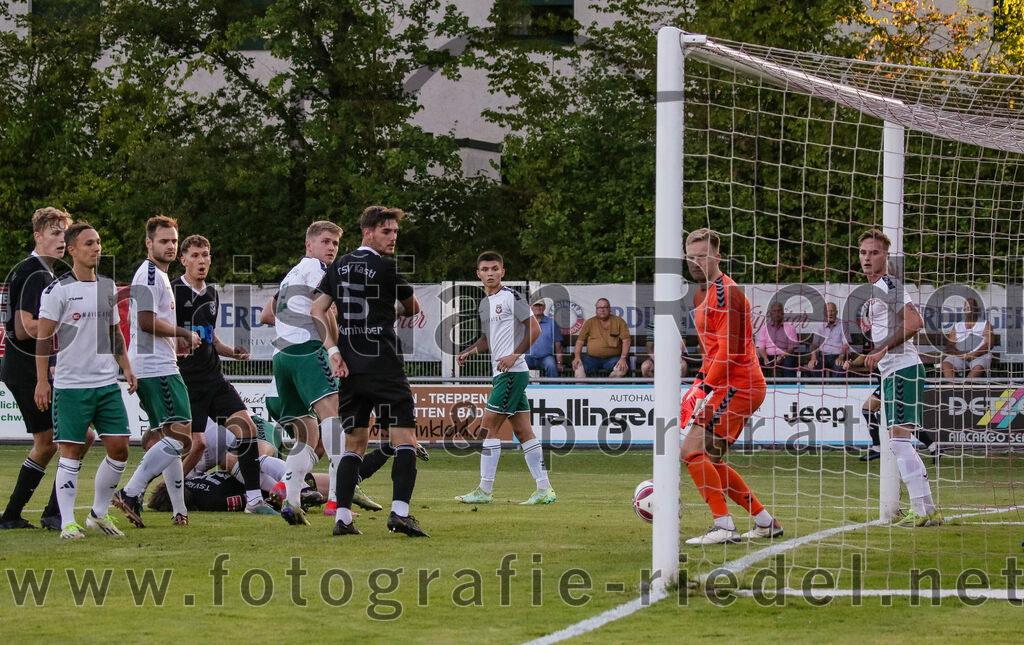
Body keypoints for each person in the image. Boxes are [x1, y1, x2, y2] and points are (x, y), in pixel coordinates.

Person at [313, 205, 427, 537]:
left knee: (354, 443)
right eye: (386, 231)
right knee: (404, 438)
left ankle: (343, 518)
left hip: (349, 366)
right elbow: (413, 307)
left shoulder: (340, 266)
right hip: (384, 364)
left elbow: (316, 309)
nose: (393, 238)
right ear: (368, 232)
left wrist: (333, 350)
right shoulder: (386, 268)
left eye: (395, 232)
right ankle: (400, 513)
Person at [33, 222, 138, 539]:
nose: (97, 248)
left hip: (106, 385)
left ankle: (98, 514)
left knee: (120, 449)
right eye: (90, 243)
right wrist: (41, 380)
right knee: (71, 452)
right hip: (71, 386)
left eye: (99, 242)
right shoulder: (57, 291)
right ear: (74, 250)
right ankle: (67, 523)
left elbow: (113, 333)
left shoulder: (107, 287)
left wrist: (127, 368)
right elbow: (42, 339)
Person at [679, 228, 782, 545]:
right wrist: (697, 384)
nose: (696, 262)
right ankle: (765, 522)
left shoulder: (725, 293)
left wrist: (704, 387)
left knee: (690, 451)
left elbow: (729, 352)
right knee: (710, 459)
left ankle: (724, 526)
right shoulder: (703, 294)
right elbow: (712, 352)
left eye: (702, 256)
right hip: (731, 383)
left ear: (717, 257)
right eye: (691, 256)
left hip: (737, 383)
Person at [171, 234, 276, 515]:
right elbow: (157, 331)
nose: (201, 260)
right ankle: (160, 490)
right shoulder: (173, 293)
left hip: (214, 379)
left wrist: (232, 352)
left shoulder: (212, 293)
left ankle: (254, 500)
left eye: (205, 255)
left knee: (248, 430)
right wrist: (175, 345)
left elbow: (212, 339)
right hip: (187, 383)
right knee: (193, 445)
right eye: (195, 255)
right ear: (183, 260)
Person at [0, 207, 89, 531]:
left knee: (58, 440)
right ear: (37, 236)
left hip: (30, 370)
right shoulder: (34, 273)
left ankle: (24, 515)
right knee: (63, 439)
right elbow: (24, 329)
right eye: (53, 233)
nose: (60, 240)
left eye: (64, 234)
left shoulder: (42, 273)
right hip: (25, 370)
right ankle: (45, 513)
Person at [113, 216, 201, 528]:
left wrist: (173, 340)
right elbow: (145, 321)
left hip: (155, 362)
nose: (169, 246)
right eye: (163, 241)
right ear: (149, 243)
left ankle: (179, 511)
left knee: (170, 439)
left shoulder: (158, 275)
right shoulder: (151, 274)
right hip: (155, 367)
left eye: (173, 241)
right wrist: (183, 333)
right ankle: (131, 491)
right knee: (182, 439)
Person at [454, 252, 555, 505]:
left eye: (495, 268)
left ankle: (484, 490)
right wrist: (469, 351)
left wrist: (514, 354)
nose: (490, 273)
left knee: (488, 427)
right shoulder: (484, 304)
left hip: (511, 372)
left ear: (503, 272)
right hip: (506, 373)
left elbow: (536, 328)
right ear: (478, 274)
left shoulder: (511, 297)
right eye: (485, 269)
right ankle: (544, 490)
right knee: (523, 431)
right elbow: (487, 340)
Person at [858, 229, 942, 526]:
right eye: (864, 252)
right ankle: (927, 510)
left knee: (899, 443)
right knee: (899, 442)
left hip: (904, 370)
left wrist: (881, 349)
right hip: (896, 371)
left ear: (886, 256)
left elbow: (915, 322)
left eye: (874, 253)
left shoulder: (888, 284)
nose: (868, 258)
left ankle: (921, 511)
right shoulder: (876, 290)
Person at [271, 220, 346, 526]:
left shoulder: (291, 274)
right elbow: (323, 308)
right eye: (326, 242)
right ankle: (338, 501)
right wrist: (335, 346)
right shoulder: (317, 268)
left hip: (281, 357)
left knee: (308, 434)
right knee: (334, 420)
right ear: (310, 245)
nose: (331, 248)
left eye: (335, 244)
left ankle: (290, 501)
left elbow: (269, 313)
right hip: (306, 351)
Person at [572, 299, 630, 378]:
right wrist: (577, 357)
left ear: (609, 309)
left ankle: (606, 389)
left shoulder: (619, 321)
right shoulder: (589, 322)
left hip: (613, 359)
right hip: (591, 359)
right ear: (596, 310)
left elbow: (626, 341)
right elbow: (580, 342)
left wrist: (623, 358)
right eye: (599, 308)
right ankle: (583, 390)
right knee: (578, 368)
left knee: (621, 369)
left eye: (605, 307)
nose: (602, 310)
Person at [941, 297, 993, 378]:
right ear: (964, 310)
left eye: (972, 308)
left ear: (977, 309)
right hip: (960, 356)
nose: (970, 310)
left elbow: (989, 344)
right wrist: (961, 354)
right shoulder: (958, 326)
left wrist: (974, 354)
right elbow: (950, 345)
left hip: (979, 355)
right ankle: (951, 386)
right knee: (946, 364)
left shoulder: (985, 324)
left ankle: (966, 386)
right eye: (967, 308)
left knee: (978, 368)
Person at [756, 301, 799, 378]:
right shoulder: (765, 329)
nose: (777, 314)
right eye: (774, 311)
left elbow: (791, 349)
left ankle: (789, 388)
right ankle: (760, 387)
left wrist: (782, 356)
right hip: (768, 357)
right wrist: (765, 358)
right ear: (770, 314)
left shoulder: (790, 328)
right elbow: (761, 348)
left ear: (783, 313)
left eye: (779, 311)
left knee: (788, 362)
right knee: (757, 363)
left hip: (784, 356)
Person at [806, 302, 849, 379]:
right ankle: (819, 390)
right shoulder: (819, 325)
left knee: (839, 368)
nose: (830, 313)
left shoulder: (843, 324)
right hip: (823, 356)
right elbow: (815, 344)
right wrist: (813, 358)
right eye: (828, 311)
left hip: (837, 356)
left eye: (832, 311)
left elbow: (845, 344)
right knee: (814, 367)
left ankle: (835, 391)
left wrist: (841, 357)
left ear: (836, 312)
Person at [524, 300, 563, 378]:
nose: (538, 308)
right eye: (535, 305)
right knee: (518, 367)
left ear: (544, 307)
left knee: (551, 365)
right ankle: (521, 389)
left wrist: (559, 362)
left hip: (546, 357)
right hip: (528, 357)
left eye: (540, 305)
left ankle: (554, 389)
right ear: (531, 307)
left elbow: (558, 345)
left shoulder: (551, 323)